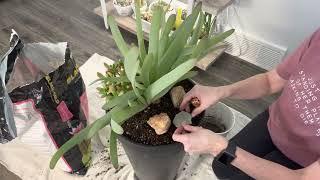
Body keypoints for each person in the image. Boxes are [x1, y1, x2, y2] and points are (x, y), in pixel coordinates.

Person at [172, 29, 320, 179]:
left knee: (230, 163)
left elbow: (303, 177)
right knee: (221, 166)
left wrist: (217, 146)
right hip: (273, 124)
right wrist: (221, 91)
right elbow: (271, 81)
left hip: (303, 164)